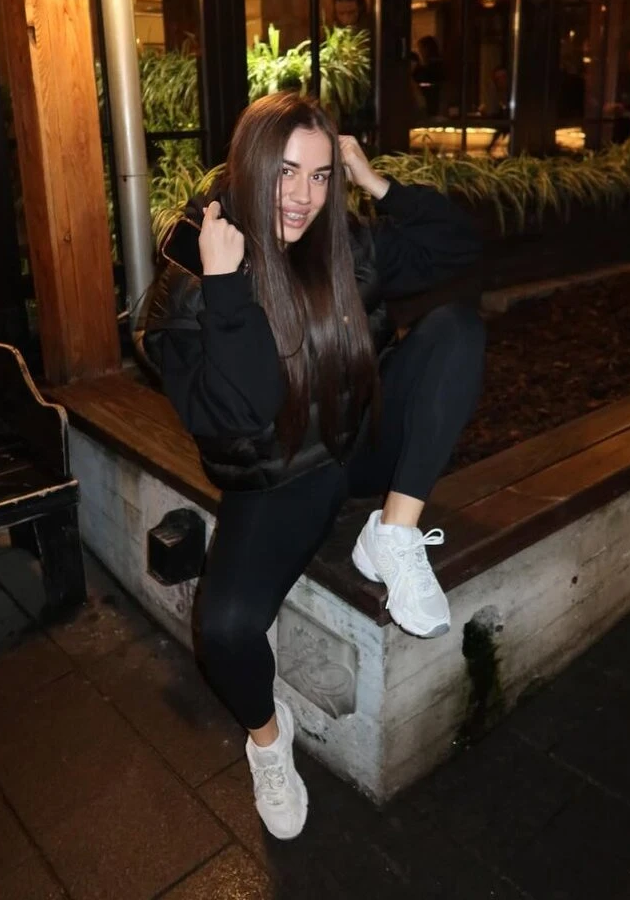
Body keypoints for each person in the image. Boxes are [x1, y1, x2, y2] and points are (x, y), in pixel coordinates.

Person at [141, 92, 484, 840]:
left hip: (359, 444)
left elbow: (460, 246)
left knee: (457, 330)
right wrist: (226, 289)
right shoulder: (190, 280)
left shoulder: (343, 244)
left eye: (321, 175)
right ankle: (268, 741)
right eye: (286, 173)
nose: (302, 196)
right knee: (226, 630)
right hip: (279, 478)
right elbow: (242, 411)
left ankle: (393, 533)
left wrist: (376, 183)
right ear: (249, 167)